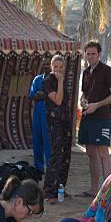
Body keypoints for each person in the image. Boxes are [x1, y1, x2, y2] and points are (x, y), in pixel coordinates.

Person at [78, 41, 111, 198]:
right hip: (87, 116)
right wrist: (83, 101)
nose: (90, 56)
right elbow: (84, 94)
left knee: (103, 153)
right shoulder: (86, 72)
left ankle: (108, 192)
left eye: (93, 53)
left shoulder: (107, 71)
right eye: (88, 54)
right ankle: (94, 190)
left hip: (102, 118)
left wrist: (97, 105)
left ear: (99, 54)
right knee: (90, 153)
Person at [43, 55, 73, 204]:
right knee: (56, 155)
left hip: (65, 122)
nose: (58, 70)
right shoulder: (47, 81)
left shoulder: (63, 81)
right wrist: (60, 82)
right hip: (54, 122)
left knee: (66, 154)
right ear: (51, 66)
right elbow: (58, 100)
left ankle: (60, 187)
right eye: (56, 67)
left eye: (61, 67)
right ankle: (49, 191)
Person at [29, 72, 51, 173]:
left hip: (50, 113)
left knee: (48, 141)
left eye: (48, 61)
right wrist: (45, 95)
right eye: (44, 61)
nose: (46, 64)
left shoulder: (54, 79)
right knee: (37, 139)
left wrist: (43, 94)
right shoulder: (37, 79)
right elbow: (33, 95)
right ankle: (39, 167)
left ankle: (50, 167)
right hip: (38, 112)